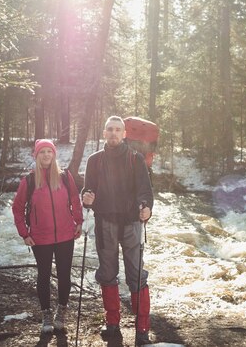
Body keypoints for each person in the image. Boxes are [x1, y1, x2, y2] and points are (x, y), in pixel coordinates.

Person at [82, 115, 154, 345]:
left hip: (132, 223)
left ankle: (142, 327)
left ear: (125, 134)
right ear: (104, 133)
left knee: (137, 276)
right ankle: (112, 323)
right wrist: (87, 198)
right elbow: (87, 190)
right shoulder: (94, 160)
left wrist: (146, 209)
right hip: (105, 224)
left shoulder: (135, 159)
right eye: (109, 129)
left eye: (117, 130)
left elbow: (145, 191)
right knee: (107, 273)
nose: (113, 133)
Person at [12, 139, 84, 334]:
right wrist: (24, 234)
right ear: (36, 155)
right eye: (42, 152)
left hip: (65, 235)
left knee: (64, 276)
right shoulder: (28, 180)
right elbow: (17, 208)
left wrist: (79, 222)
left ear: (54, 155)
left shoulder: (64, 176)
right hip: (40, 238)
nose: (46, 155)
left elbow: (75, 200)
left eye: (49, 152)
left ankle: (61, 310)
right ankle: (46, 314)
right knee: (43, 276)